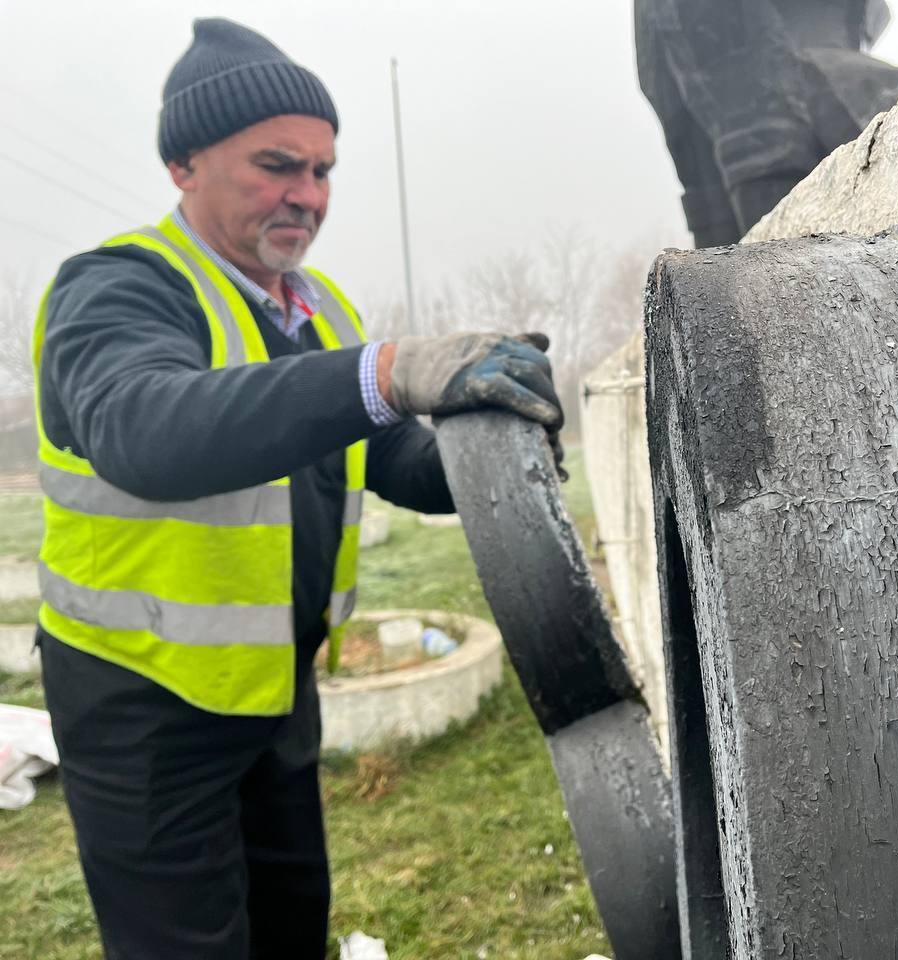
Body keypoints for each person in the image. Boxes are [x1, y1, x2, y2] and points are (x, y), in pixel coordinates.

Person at [33, 18, 563, 959]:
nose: (307, 197)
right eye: (277, 166)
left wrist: (494, 457)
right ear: (184, 165)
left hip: (275, 687)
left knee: (288, 925)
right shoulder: (118, 289)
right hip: (143, 703)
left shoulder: (322, 312)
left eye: (322, 171)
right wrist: (389, 370)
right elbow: (145, 430)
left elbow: (382, 460)